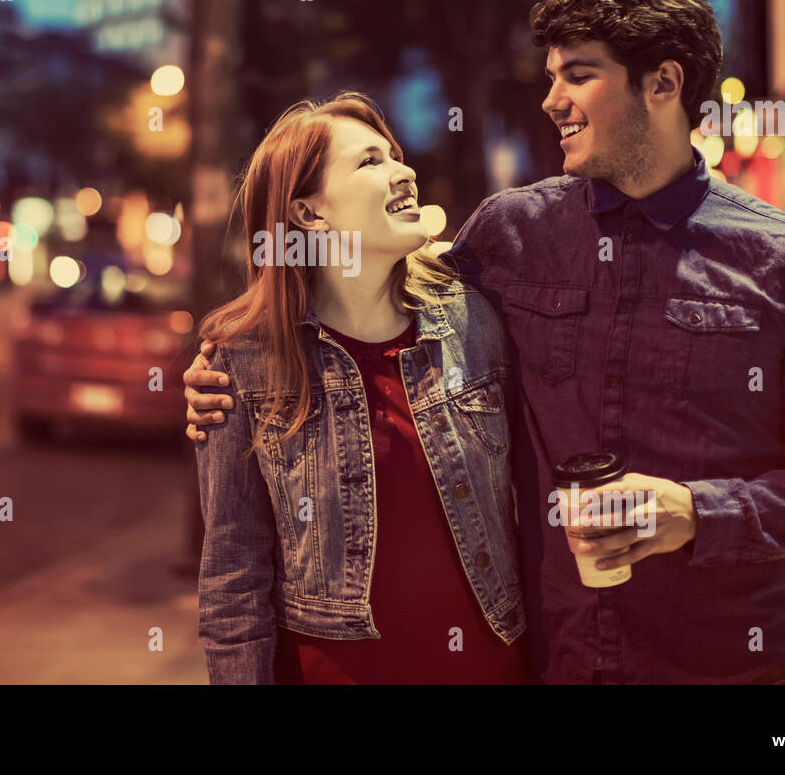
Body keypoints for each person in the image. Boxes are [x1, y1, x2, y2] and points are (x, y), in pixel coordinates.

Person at [186, 0, 785, 684]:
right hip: (562, 658)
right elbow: (382, 306)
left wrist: (695, 513)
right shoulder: (510, 235)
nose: (552, 100)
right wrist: (237, 368)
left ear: (664, 83)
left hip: (735, 664)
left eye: (579, 75)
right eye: (550, 76)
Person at [193, 92, 533, 684]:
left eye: (396, 155)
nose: (405, 172)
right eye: (370, 162)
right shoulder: (243, 361)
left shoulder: (474, 320)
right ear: (308, 215)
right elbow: (233, 578)